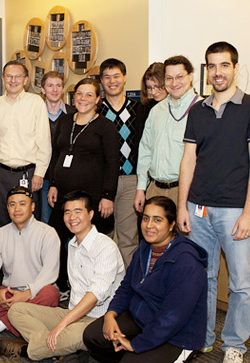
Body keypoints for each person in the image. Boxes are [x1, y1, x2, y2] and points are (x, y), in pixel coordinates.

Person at [177, 41, 250, 363]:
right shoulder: (198, 111)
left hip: (236, 208)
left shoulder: (249, 108)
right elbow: (188, 160)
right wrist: (181, 206)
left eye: (224, 65)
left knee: (241, 284)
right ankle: (202, 338)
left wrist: (249, 212)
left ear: (235, 68)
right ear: (206, 70)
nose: (218, 72)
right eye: (212, 66)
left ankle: (234, 344)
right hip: (198, 208)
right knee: (201, 278)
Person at [0, 191, 124, 360]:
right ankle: (55, 347)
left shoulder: (105, 247)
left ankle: (27, 349)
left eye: (78, 211)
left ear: (90, 214)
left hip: (98, 321)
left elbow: (95, 295)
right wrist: (64, 322)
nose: (72, 217)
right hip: (72, 313)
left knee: (70, 333)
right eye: (67, 212)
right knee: (16, 310)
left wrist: (62, 324)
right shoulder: (73, 245)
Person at [83, 196, 207, 363]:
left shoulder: (186, 262)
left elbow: (172, 317)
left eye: (157, 220)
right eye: (146, 218)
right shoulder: (144, 248)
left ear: (171, 225)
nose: (149, 225)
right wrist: (110, 315)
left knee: (131, 359)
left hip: (178, 336)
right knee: (93, 336)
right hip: (144, 319)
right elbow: (126, 287)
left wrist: (136, 345)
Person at [48, 78, 118, 294]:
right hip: (64, 197)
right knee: (56, 239)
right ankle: (60, 285)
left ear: (98, 99)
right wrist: (53, 184)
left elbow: (113, 163)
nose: (83, 99)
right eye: (79, 94)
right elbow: (57, 154)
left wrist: (108, 195)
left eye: (89, 95)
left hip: (93, 198)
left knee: (90, 244)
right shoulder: (65, 121)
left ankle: (91, 289)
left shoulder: (105, 126)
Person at [0, 186, 60, 339]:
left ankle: (1, 324)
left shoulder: (47, 233)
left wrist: (26, 294)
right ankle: (20, 320)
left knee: (51, 294)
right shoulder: (1, 234)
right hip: (8, 294)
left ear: (32, 206)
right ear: (7, 208)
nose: (17, 209)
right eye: (12, 204)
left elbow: (50, 273)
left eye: (22, 203)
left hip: (35, 293)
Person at [0, 61, 51, 231]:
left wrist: (39, 173)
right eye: (9, 76)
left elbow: (44, 143)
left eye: (18, 76)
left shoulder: (36, 103)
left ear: (25, 80)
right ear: (3, 79)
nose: (13, 80)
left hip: (28, 174)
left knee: (27, 223)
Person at [99, 58, 148, 267]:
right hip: (101, 183)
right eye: (107, 77)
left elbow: (146, 149)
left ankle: (128, 290)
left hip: (130, 181)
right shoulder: (95, 111)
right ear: (101, 81)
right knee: (103, 239)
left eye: (116, 76)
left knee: (128, 240)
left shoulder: (140, 110)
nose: (112, 81)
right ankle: (103, 292)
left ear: (125, 78)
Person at [134, 56, 199, 213]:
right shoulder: (157, 111)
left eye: (179, 77)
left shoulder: (201, 109)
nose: (174, 83)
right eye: (169, 78)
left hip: (186, 190)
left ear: (190, 76)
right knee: (152, 236)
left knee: (185, 236)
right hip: (155, 189)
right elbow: (145, 150)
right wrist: (141, 188)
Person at [40, 71, 75, 223]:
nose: (54, 90)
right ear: (42, 90)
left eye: (58, 86)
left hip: (68, 177)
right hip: (43, 177)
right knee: (46, 222)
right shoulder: (34, 113)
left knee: (70, 221)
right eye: (50, 85)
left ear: (63, 89)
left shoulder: (74, 114)